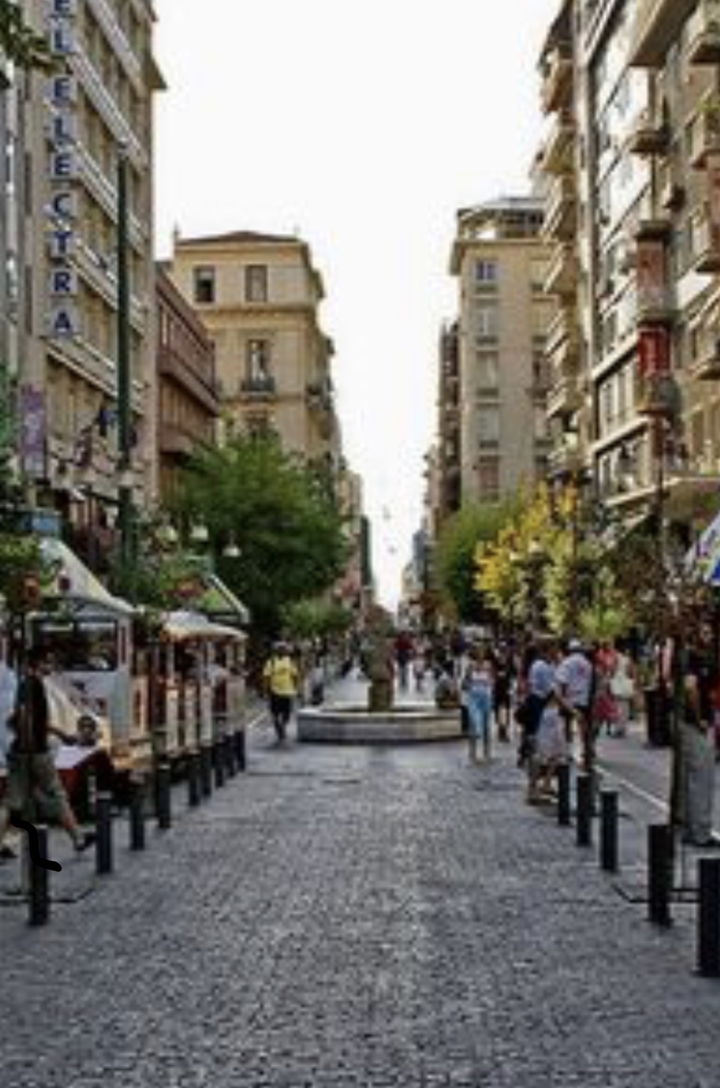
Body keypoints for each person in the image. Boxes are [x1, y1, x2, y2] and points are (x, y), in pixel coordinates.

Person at [0, 648, 95, 853]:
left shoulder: (25, 683)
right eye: (47, 662)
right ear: (38, 663)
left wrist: (17, 728)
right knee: (56, 793)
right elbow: (31, 718)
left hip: (22, 750)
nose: (50, 667)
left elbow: (20, 716)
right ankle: (78, 839)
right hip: (35, 751)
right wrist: (57, 736)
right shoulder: (34, 684)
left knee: (12, 800)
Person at [681, 625, 719, 847]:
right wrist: (699, 719)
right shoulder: (694, 657)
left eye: (710, 632)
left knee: (695, 779)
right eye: (704, 632)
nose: (710, 635)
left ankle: (692, 829)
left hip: (697, 722)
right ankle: (700, 833)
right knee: (702, 779)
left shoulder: (697, 656)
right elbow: (691, 688)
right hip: (696, 724)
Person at [555, 638, 594, 767]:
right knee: (583, 728)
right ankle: (586, 753)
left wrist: (561, 698)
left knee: (566, 727)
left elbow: (562, 682)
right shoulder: (587, 663)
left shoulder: (566, 663)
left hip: (569, 699)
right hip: (583, 699)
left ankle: (567, 753)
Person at [527, 689, 569, 804]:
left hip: (551, 730)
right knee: (539, 759)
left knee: (553, 758)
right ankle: (532, 791)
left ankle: (545, 784)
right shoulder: (548, 690)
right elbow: (564, 704)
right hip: (544, 731)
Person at [0, 646, 19, 860]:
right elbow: (14, 717)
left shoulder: (8, 676)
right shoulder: (8, 678)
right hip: (6, 750)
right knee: (7, 801)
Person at [462, 649, 494, 764]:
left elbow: (492, 681)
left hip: (485, 697)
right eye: (478, 654)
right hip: (474, 698)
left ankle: (487, 753)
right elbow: (464, 684)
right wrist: (470, 684)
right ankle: (472, 754)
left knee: (486, 726)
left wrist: (489, 684)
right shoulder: (470, 667)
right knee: (473, 726)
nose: (481, 656)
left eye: (482, 654)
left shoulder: (488, 666)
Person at [262, 642, 299, 743]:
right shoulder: (271, 662)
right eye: (280, 649)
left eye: (284, 649)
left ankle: (282, 726)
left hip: (288, 691)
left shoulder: (290, 661)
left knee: (287, 714)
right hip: (275, 691)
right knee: (275, 713)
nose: (282, 651)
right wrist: (265, 690)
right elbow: (266, 677)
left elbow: (295, 675)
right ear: (276, 651)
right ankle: (278, 727)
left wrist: (296, 688)